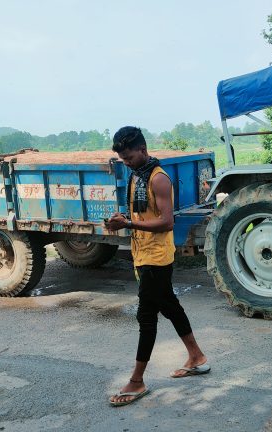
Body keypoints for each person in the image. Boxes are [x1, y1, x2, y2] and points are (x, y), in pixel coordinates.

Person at [106, 126, 209, 407]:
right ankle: (197, 357)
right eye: (122, 158)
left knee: (146, 317)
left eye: (128, 156)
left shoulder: (158, 178)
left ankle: (137, 381)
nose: (125, 162)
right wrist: (124, 218)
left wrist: (127, 224)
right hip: (142, 254)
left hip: (157, 257)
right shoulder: (136, 175)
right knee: (171, 307)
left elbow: (167, 222)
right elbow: (143, 213)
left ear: (143, 149)